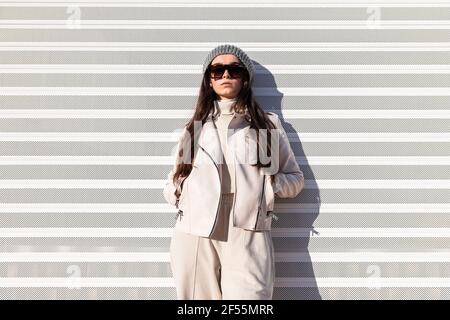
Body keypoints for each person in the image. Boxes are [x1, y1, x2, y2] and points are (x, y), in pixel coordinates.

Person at [163, 44, 305, 300]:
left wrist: (268, 188)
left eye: (234, 70)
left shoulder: (266, 125)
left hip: (247, 228)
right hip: (194, 229)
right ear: (209, 79)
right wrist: (180, 192)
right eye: (217, 70)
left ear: (245, 78)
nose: (226, 75)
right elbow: (175, 178)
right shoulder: (193, 129)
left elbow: (295, 179)